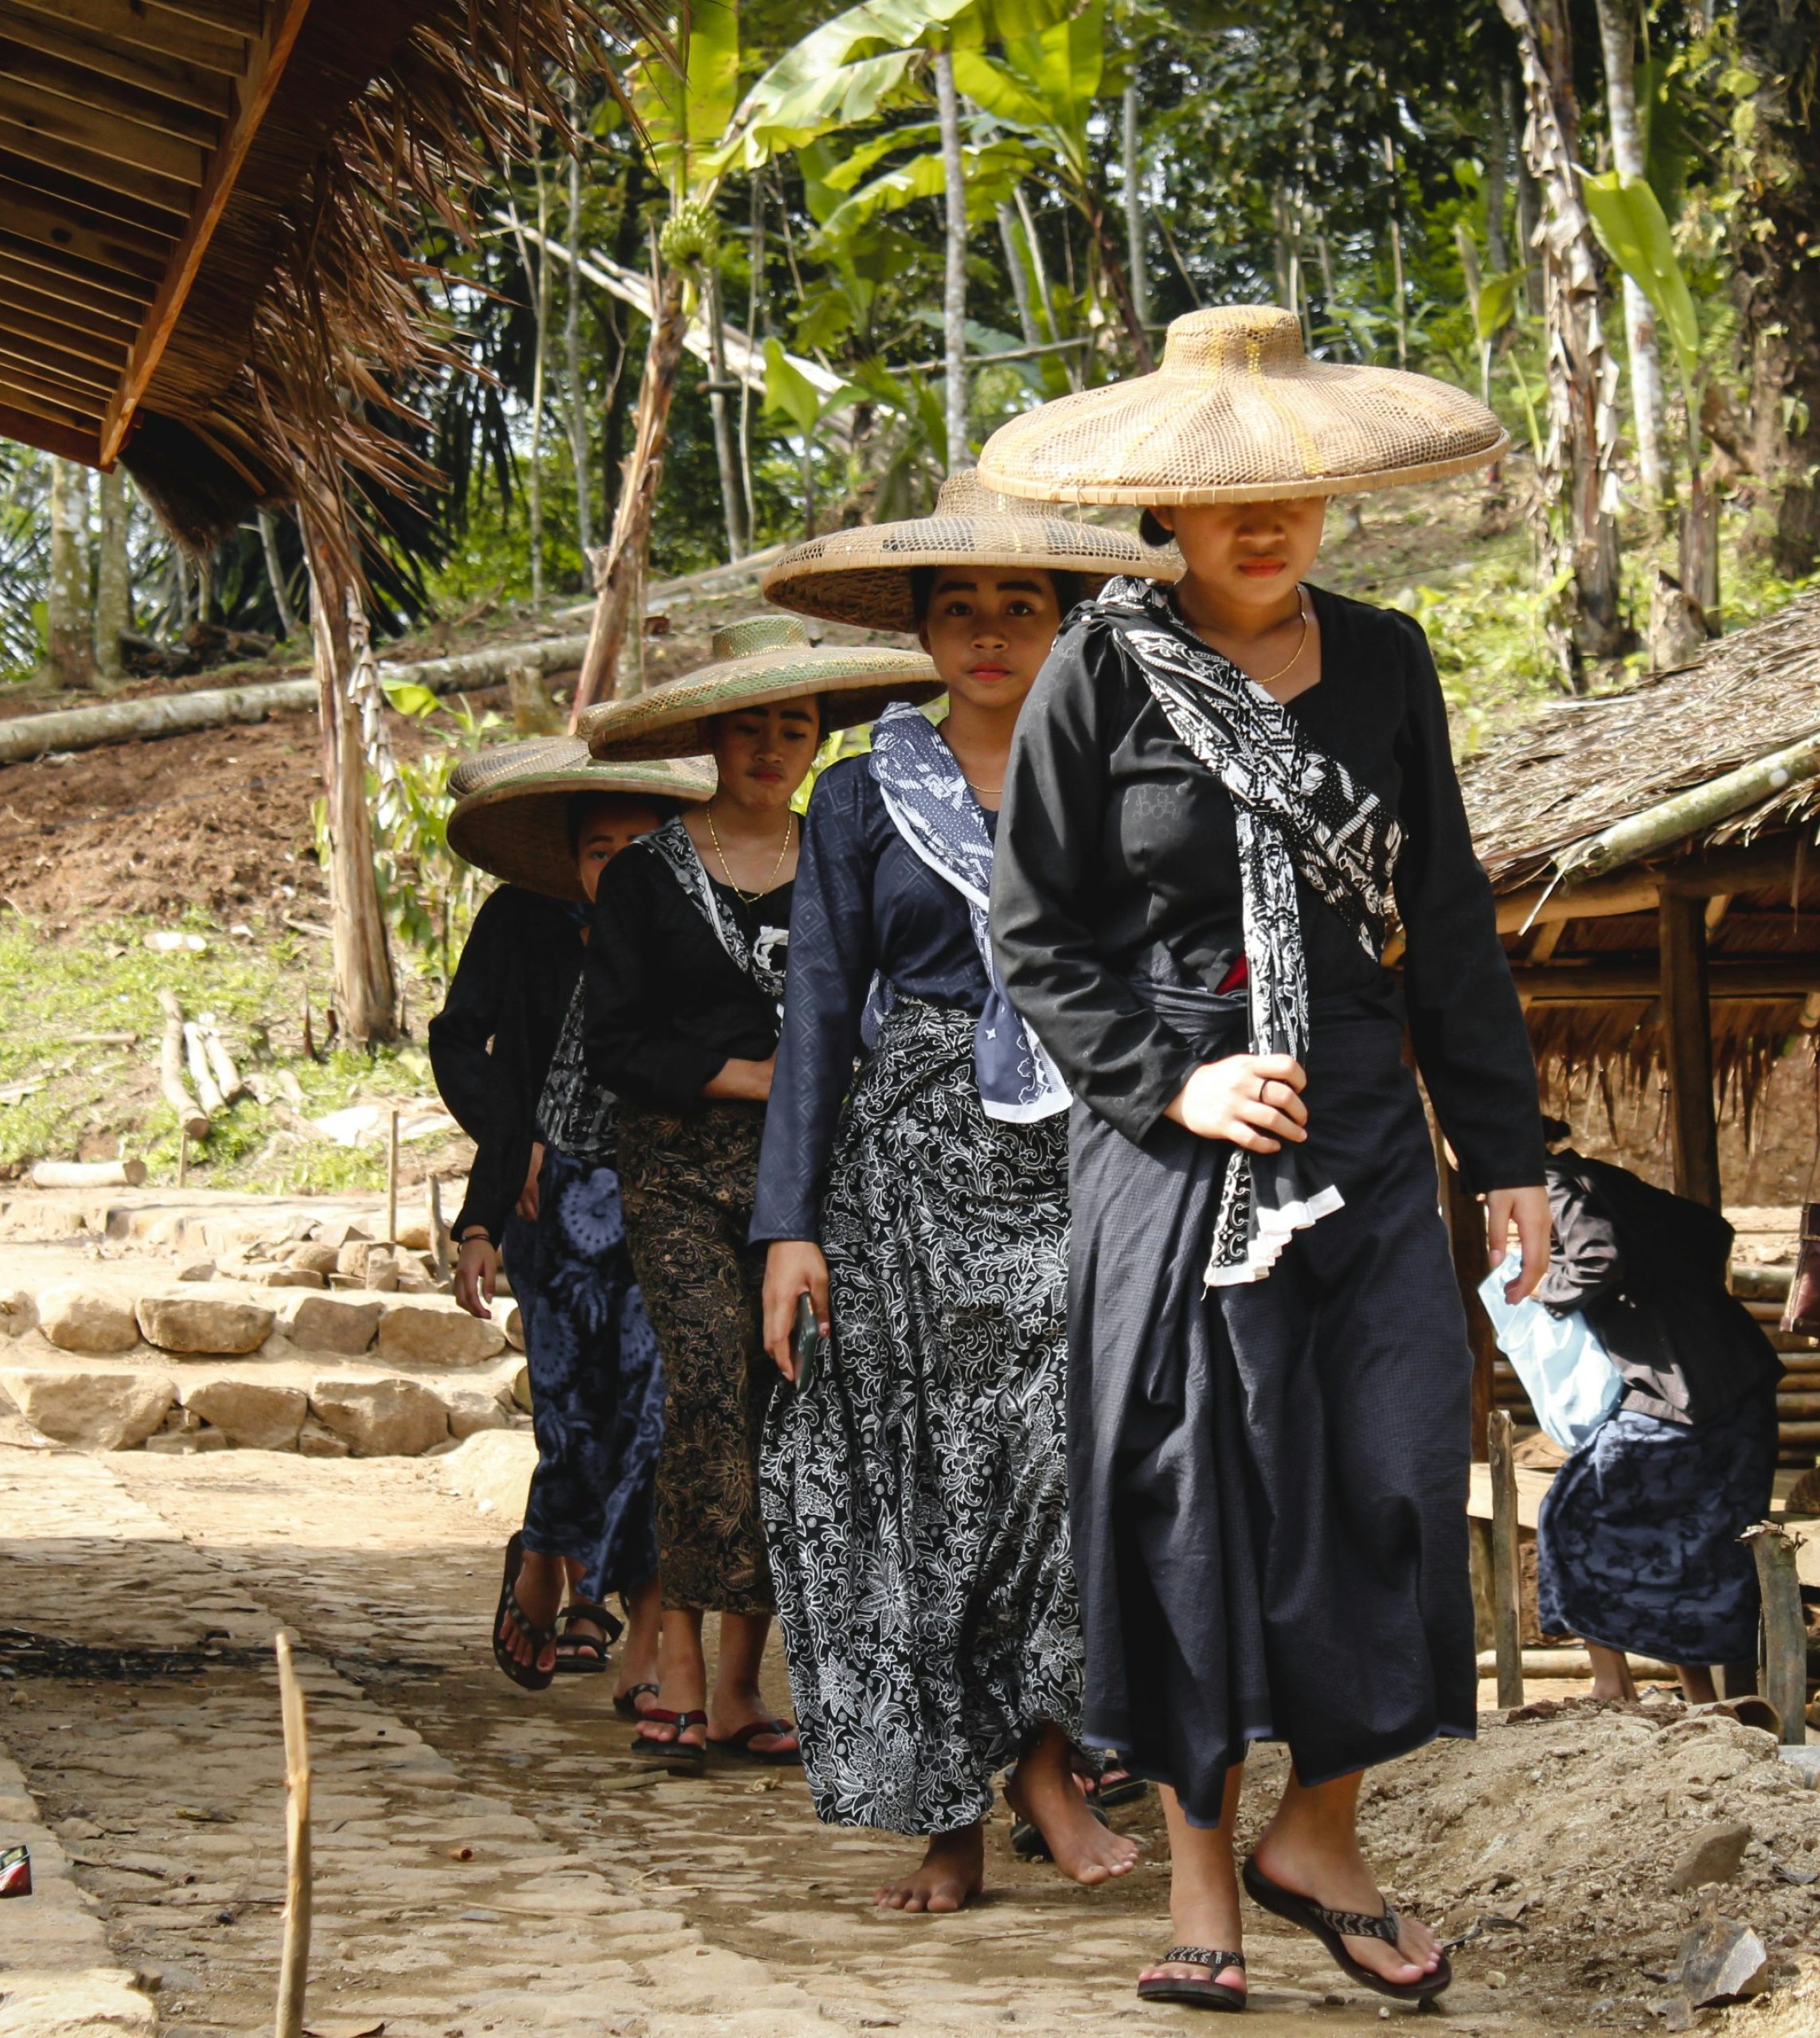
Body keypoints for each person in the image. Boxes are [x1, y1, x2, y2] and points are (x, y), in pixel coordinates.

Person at [980, 305, 1552, 2010]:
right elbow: (1036, 932)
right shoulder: (1096, 667)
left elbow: (1441, 920)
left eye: (1291, 491)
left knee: (1387, 1467)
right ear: (1162, 508)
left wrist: (1503, 1152)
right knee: (1183, 1491)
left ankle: (1322, 1826)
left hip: (1363, 1124)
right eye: (1226, 497)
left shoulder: (1386, 661)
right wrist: (1173, 1083)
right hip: (1167, 1148)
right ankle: (1198, 1874)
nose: (1263, 520)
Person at [752, 473, 1183, 1913]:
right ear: (924, 634)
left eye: (1022, 606)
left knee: (1077, 1458)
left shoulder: (1124, 768)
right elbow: (818, 1009)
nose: (991, 633)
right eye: (960, 610)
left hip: (1085, 1151)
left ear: (1065, 624)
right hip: (908, 1182)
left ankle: (1049, 1758)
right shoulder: (863, 792)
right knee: (925, 1491)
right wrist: (788, 1228)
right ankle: (952, 1809)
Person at [580, 619, 939, 1774]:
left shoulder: (851, 854)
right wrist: (766, 1077)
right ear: (711, 736)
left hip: (817, 1174)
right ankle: (676, 1656)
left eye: (795, 726)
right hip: (682, 1170)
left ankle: (743, 1686)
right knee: (710, 1397)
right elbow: (618, 1044)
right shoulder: (645, 874)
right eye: (752, 725)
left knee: (793, 1408)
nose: (773, 745)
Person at [433, 738, 711, 1711]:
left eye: (644, 844)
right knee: (571, 1416)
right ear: (568, 856)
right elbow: (468, 1047)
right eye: (601, 848)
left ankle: (620, 1613)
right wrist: (502, 1171)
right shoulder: (520, 924)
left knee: (654, 1414)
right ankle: (549, 1553)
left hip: (668, 1199)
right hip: (549, 1210)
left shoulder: (694, 931)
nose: (621, 867)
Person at [1531, 1119, 1783, 1706]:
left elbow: (1598, 1258)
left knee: (1569, 1511)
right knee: (1694, 1540)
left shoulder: (1550, 1182)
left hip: (1683, 1390)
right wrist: (1675, 1287)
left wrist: (1538, 1291)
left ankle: (1612, 1686)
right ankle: (1696, 1696)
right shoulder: (1604, 1179)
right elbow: (1710, 1229)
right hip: (1738, 1377)